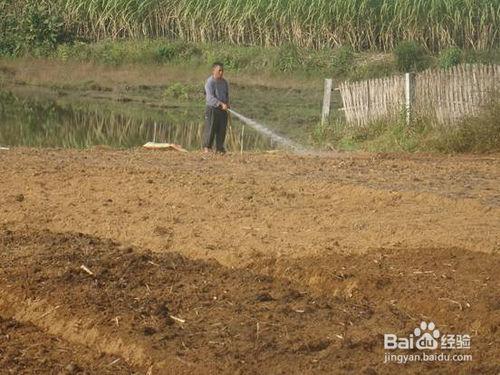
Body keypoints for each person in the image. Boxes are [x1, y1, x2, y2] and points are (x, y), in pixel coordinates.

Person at [203, 62, 230, 153]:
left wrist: (227, 103)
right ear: (213, 71)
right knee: (210, 128)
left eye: (222, 71)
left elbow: (226, 95)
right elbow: (209, 97)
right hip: (212, 108)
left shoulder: (224, 82)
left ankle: (219, 148)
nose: (221, 72)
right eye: (219, 71)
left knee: (222, 129)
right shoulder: (209, 82)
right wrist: (220, 104)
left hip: (222, 110)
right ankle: (207, 147)